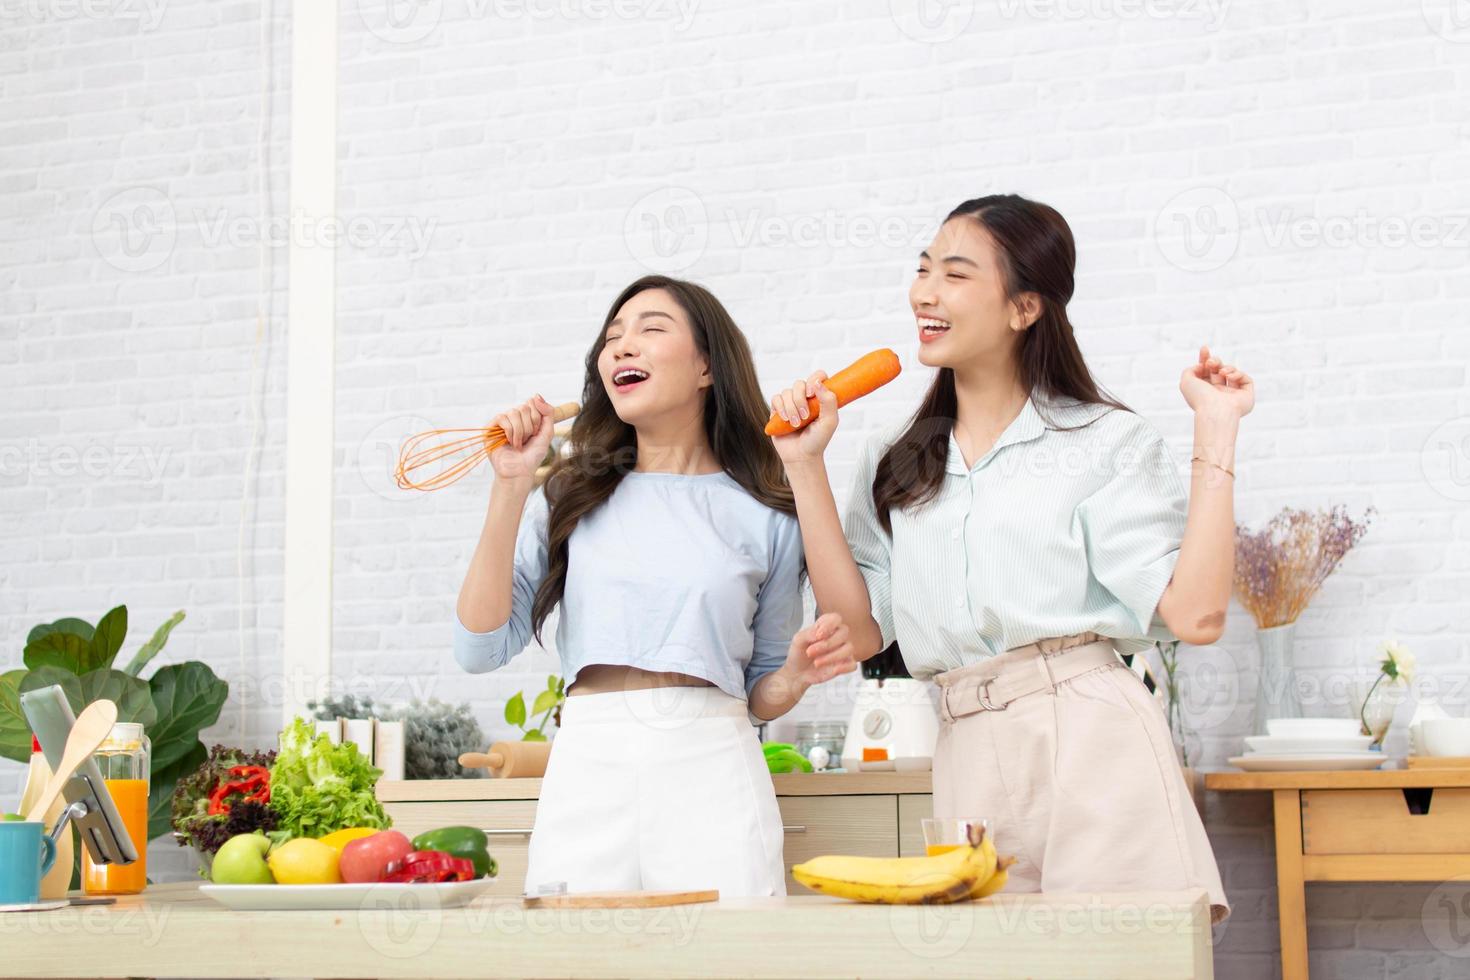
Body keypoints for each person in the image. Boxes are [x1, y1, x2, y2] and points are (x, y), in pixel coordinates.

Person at [767, 194, 1246, 924]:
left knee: (1116, 967)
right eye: (923, 268)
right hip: (965, 749)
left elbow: (1196, 614)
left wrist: (1215, 430)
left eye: (955, 274)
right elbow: (860, 632)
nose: (924, 291)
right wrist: (803, 466)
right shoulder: (897, 459)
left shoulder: (1102, 443)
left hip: (1091, 739)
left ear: (1025, 308)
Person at [454, 274, 857, 897]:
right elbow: (479, 649)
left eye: (650, 329)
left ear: (706, 367)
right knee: (574, 964)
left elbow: (759, 694)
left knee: (730, 963)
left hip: (713, 765)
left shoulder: (768, 513)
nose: (620, 347)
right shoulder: (568, 496)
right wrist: (510, 482)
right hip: (588, 762)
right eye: (612, 337)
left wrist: (795, 677)